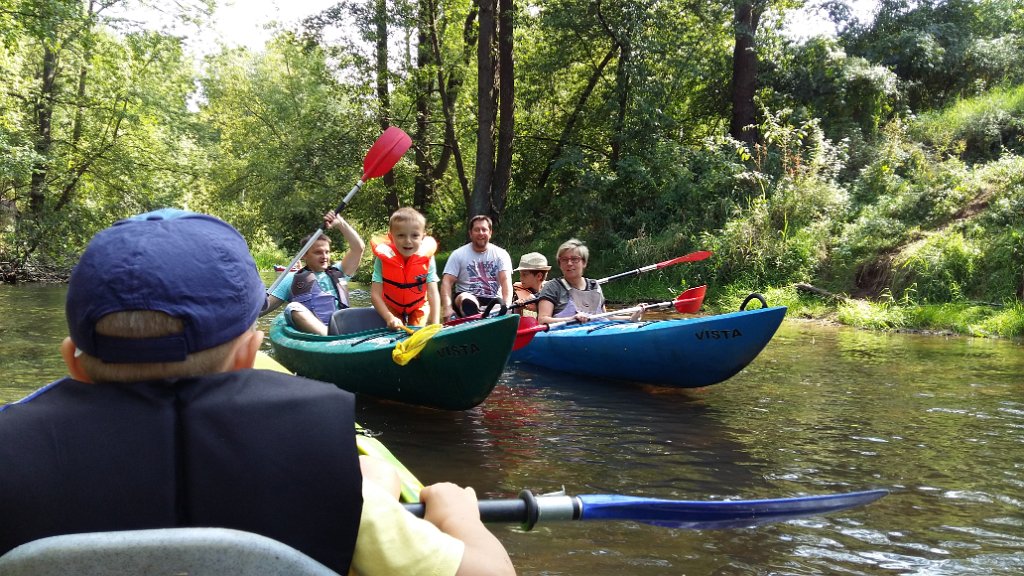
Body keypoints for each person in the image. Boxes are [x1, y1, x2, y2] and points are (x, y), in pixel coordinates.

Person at [0, 209, 515, 576]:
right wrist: (455, 514)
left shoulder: (12, 453)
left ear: (73, 361)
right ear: (250, 356)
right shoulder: (325, 466)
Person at [262, 210, 364, 335]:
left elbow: (358, 248)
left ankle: (337, 336)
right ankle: (329, 336)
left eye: (327, 252)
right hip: (317, 335)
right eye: (318, 252)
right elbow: (264, 308)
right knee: (292, 308)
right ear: (304, 255)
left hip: (340, 327)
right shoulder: (291, 278)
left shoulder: (339, 271)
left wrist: (341, 223)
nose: (324, 256)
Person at [536, 238, 640, 325]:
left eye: (574, 259)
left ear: (584, 262)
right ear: (560, 264)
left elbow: (605, 317)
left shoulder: (594, 285)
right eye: (564, 260)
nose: (569, 263)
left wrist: (632, 317)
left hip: (597, 332)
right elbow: (542, 320)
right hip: (566, 336)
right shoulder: (552, 287)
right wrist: (571, 319)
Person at [370, 207, 441, 330]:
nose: (408, 241)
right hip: (391, 306)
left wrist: (435, 325)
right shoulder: (382, 258)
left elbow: (432, 293)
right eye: (401, 235)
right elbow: (375, 295)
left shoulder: (428, 258)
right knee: (394, 330)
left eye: (415, 235)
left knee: (417, 331)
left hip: (418, 306)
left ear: (423, 237)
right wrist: (389, 317)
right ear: (391, 237)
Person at [441, 215, 513, 319]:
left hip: (493, 300)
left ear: (490, 232)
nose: (481, 233)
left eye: (484, 230)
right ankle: (472, 314)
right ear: (470, 233)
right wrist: (447, 308)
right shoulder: (458, 254)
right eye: (476, 230)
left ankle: (487, 315)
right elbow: (447, 282)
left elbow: (505, 280)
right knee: (465, 298)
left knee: (501, 305)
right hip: (467, 297)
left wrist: (507, 304)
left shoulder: (501, 254)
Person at [511, 252, 551, 318]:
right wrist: (518, 309)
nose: (520, 278)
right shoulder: (516, 294)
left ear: (539, 276)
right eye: (520, 274)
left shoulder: (552, 289)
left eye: (524, 275)